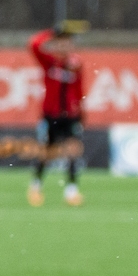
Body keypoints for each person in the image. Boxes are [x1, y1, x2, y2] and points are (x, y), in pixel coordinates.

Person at [29, 21, 87, 206]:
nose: (64, 46)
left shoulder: (75, 65)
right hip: (51, 114)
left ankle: (71, 191)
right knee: (47, 153)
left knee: (72, 152)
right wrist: (51, 31)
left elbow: (79, 90)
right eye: (60, 42)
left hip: (69, 115)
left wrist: (81, 113)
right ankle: (36, 186)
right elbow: (34, 44)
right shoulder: (49, 62)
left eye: (67, 43)